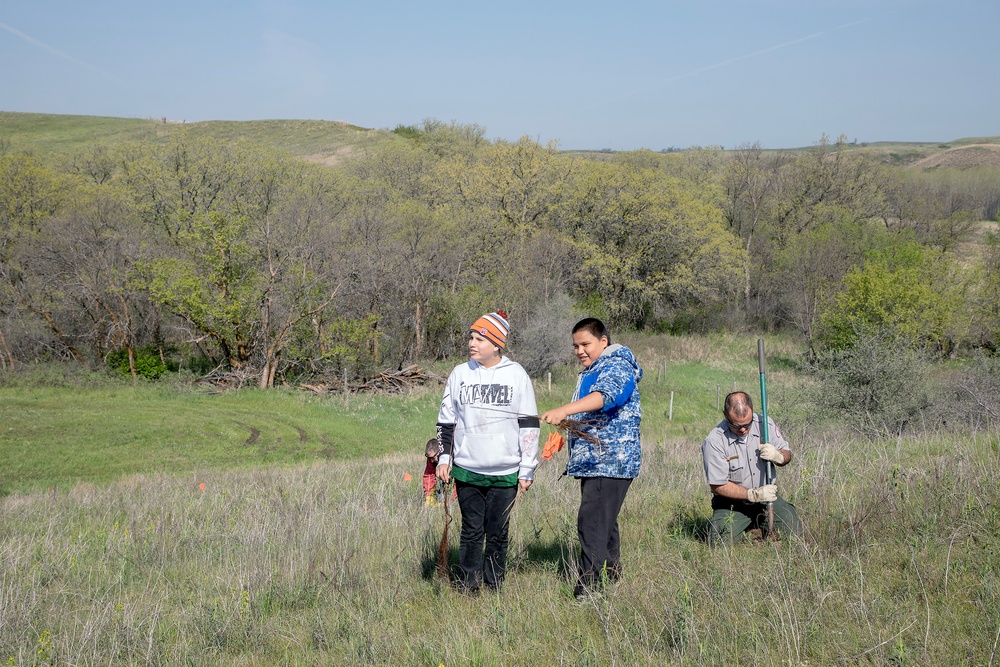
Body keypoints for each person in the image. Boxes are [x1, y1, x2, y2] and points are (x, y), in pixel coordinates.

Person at [435, 310, 539, 593]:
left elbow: (529, 425)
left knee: (497, 533)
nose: (472, 342)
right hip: (468, 469)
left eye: (480, 338)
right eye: (471, 337)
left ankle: (494, 586)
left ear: (496, 344)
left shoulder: (516, 375)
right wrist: (445, 458)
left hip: (505, 472)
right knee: (470, 531)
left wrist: (527, 468)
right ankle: (468, 586)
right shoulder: (459, 374)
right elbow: (446, 420)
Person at [540, 317, 642, 599]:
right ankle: (612, 575)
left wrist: (564, 409)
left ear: (603, 341)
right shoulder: (593, 370)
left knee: (591, 521)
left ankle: (588, 587)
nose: (580, 350)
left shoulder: (616, 364)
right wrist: (569, 423)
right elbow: (592, 410)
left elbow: (607, 397)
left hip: (610, 459)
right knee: (603, 520)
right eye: (575, 346)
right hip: (595, 460)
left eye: (585, 344)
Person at [701, 391, 802, 545]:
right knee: (719, 541)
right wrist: (753, 494)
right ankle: (748, 530)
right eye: (736, 425)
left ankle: (757, 527)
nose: (743, 429)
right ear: (725, 415)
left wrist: (779, 456)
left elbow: (787, 454)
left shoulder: (765, 425)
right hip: (732, 504)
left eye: (747, 424)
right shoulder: (714, 441)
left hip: (768, 499)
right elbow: (717, 485)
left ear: (753, 410)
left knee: (794, 530)